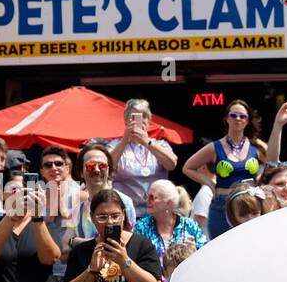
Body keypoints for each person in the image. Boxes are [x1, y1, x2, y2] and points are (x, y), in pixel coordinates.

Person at [181, 99, 261, 239]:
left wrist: (260, 182)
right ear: (226, 118)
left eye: (242, 116)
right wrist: (210, 183)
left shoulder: (255, 147)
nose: (238, 119)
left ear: (248, 121)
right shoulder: (215, 147)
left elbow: (273, 161)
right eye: (233, 115)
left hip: (249, 205)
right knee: (221, 251)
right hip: (222, 204)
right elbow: (188, 167)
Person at [109, 99, 179, 209]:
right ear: (126, 121)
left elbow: (172, 164)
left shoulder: (160, 144)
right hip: (126, 211)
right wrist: (124, 141)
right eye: (134, 117)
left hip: (157, 211)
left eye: (144, 116)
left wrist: (147, 142)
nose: (140, 120)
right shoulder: (115, 145)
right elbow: (107, 167)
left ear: (149, 121)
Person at [134, 180, 206, 264]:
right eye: (147, 196)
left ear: (168, 203)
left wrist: (195, 250)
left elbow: (205, 254)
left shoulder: (190, 225)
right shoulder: (141, 227)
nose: (147, 200)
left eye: (152, 197)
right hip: (152, 276)